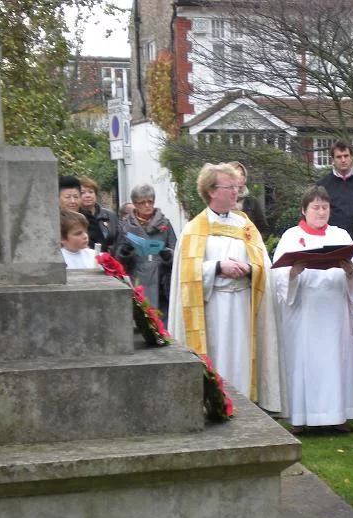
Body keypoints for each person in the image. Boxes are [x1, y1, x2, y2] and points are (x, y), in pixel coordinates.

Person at [168, 163, 285, 415]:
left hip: (243, 305)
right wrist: (218, 267)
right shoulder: (194, 230)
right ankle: (215, 407)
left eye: (237, 187)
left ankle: (247, 410)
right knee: (218, 362)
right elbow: (186, 276)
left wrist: (250, 268)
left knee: (243, 360)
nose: (236, 192)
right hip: (213, 309)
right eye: (230, 187)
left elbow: (265, 264)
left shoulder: (245, 226)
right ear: (211, 191)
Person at [272, 185, 353, 434]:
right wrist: (293, 272)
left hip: (335, 311)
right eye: (315, 207)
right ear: (304, 210)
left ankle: (338, 415)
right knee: (305, 362)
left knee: (337, 361)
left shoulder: (341, 235)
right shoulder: (291, 237)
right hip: (305, 312)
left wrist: (351, 271)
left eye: (325, 207)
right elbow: (278, 276)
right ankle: (302, 418)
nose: (321, 212)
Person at [114, 184, 177, 315]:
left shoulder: (165, 223)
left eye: (150, 201)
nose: (147, 205)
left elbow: (176, 250)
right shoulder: (125, 225)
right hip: (136, 278)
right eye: (142, 202)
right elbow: (117, 257)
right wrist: (124, 252)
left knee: (161, 323)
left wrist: (168, 255)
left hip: (160, 282)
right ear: (135, 204)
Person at [316, 140, 353, 237]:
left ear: (351, 157)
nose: (343, 160)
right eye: (339, 157)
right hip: (332, 241)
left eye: (346, 156)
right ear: (333, 159)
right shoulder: (322, 186)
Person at [228, 161, 270, 237]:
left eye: (242, 174)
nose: (240, 176)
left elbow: (264, 229)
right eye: (237, 173)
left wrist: (252, 240)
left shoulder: (252, 202)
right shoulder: (221, 201)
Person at [78, 176, 118, 253]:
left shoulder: (110, 216)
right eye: (82, 192)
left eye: (90, 192)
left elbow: (118, 241)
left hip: (109, 259)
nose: (87, 195)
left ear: (96, 194)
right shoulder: (75, 218)